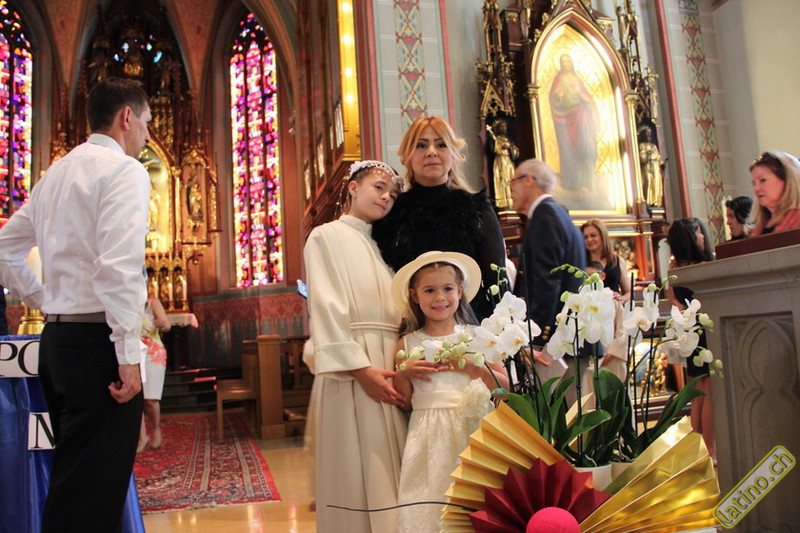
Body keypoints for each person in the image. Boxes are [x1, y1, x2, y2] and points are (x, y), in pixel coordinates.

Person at [0, 77, 151, 533]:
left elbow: (4, 248)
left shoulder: (53, 176)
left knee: (73, 482)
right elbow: (120, 266)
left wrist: (44, 299)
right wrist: (128, 356)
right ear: (126, 117)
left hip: (58, 342)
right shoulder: (124, 171)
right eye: (146, 123)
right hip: (98, 347)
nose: (147, 136)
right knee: (93, 498)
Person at [303, 160, 408, 533]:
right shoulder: (325, 236)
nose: (386, 197)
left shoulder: (381, 247)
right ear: (352, 187)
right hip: (353, 368)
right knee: (355, 467)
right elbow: (326, 307)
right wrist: (361, 371)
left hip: (388, 361)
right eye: (379, 187)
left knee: (391, 469)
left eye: (392, 194)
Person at [391, 251, 507, 533]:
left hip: (472, 429)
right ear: (414, 295)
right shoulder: (407, 342)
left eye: (447, 289)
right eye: (429, 290)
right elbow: (404, 401)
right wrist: (403, 372)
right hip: (427, 434)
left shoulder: (478, 336)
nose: (439, 297)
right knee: (430, 499)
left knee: (474, 500)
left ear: (460, 291)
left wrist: (476, 368)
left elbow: (506, 389)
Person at [373, 115, 508, 321]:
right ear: (407, 156)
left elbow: (498, 283)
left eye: (441, 145)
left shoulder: (478, 209)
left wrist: (505, 330)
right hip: (411, 327)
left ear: (453, 154)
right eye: (421, 145)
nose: (431, 152)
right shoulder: (392, 212)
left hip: (472, 326)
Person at [510, 159, 585, 345]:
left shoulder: (545, 216)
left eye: (513, 182)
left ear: (528, 180)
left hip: (554, 340)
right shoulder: (556, 212)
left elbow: (547, 282)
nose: (510, 191)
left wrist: (537, 338)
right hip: (565, 335)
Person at [667, 218, 715, 459]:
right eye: (698, 232)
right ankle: (710, 449)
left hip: (689, 330)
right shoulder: (703, 267)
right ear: (691, 238)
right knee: (709, 392)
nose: (703, 236)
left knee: (696, 393)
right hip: (705, 329)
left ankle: (698, 449)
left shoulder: (674, 269)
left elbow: (673, 301)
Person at [549, 53, 599, 192]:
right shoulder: (558, 79)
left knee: (584, 146)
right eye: (563, 61)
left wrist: (580, 93)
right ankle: (570, 181)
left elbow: (588, 100)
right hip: (565, 119)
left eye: (568, 61)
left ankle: (586, 183)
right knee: (568, 149)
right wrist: (558, 96)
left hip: (581, 116)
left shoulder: (577, 79)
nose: (566, 64)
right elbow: (553, 99)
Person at [137, 296, 171, 453]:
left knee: (150, 399)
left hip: (152, 353)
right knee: (135, 398)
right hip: (133, 353)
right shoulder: (126, 300)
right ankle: (141, 438)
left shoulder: (152, 302)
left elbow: (166, 324)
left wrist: (162, 324)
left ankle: (156, 429)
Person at [748, 151, 800, 235]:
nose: (756, 188)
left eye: (763, 180)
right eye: (754, 183)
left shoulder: (797, 221)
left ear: (787, 181)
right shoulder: (758, 227)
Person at [581, 219, 631, 304]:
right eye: (585, 237)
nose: (589, 239)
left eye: (593, 235)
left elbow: (629, 292)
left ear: (603, 236)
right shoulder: (580, 262)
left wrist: (622, 298)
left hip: (613, 309)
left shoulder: (618, 261)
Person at [486, 118, 519, 209]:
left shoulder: (509, 140)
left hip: (509, 162)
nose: (504, 128)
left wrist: (510, 148)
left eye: (505, 127)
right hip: (501, 161)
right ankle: (503, 201)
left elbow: (515, 152)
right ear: (498, 128)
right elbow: (494, 149)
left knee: (510, 180)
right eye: (502, 127)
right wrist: (495, 141)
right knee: (502, 180)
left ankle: (511, 201)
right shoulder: (497, 139)